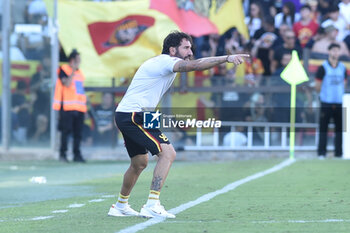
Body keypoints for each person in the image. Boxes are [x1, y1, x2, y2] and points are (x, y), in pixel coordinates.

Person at [108, 31, 248, 218]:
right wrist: (227, 58)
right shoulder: (166, 61)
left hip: (133, 113)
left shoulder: (161, 64)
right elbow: (196, 65)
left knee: (140, 163)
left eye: (191, 47)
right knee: (168, 153)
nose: (190, 51)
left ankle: (120, 206)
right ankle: (152, 203)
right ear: (173, 50)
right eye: (186, 47)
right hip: (134, 115)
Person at [52, 49, 87, 163]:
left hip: (79, 108)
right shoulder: (63, 69)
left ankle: (77, 154)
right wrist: (72, 71)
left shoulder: (80, 73)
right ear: (72, 60)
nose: (79, 62)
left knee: (78, 133)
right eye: (77, 60)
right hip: (66, 107)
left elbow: (80, 91)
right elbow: (66, 84)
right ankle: (63, 154)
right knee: (65, 132)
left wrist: (84, 108)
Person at [315, 43, 347, 159]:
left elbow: (344, 82)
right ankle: (321, 153)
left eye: (338, 51)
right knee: (323, 128)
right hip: (326, 102)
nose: (335, 53)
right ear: (329, 52)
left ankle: (338, 153)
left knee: (339, 129)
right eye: (333, 50)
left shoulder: (343, 67)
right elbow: (317, 85)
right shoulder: (323, 67)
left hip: (339, 102)